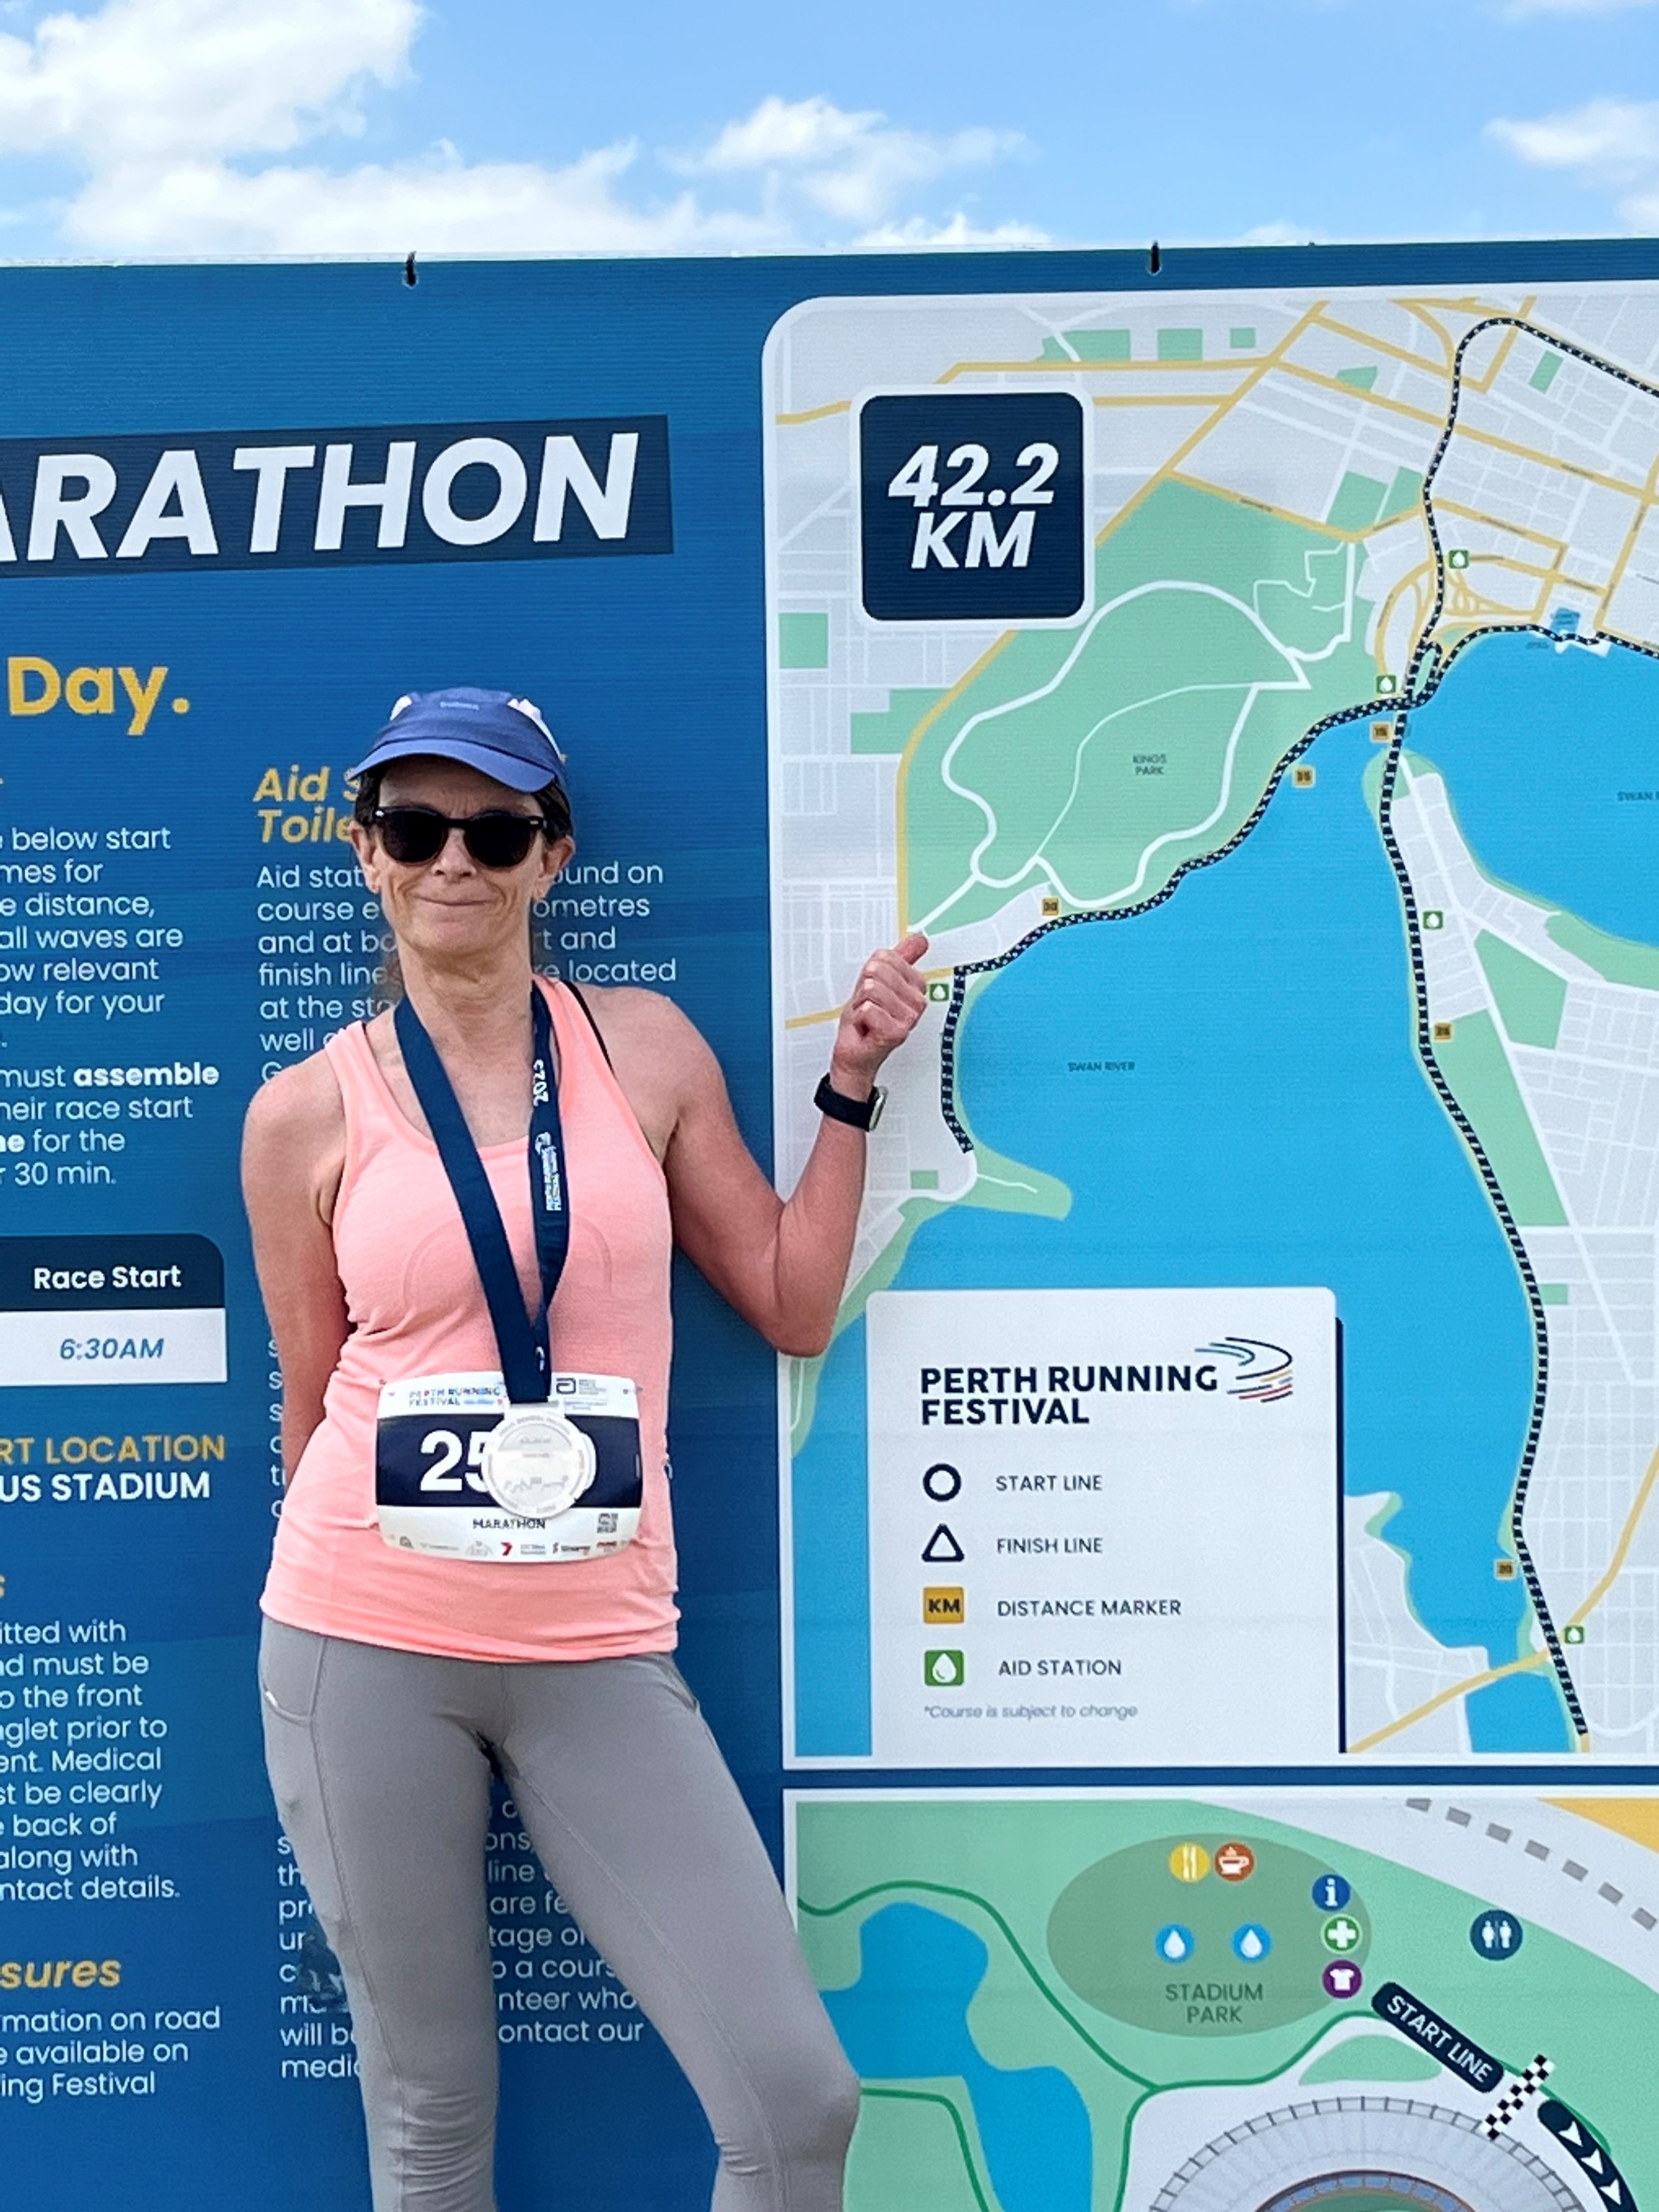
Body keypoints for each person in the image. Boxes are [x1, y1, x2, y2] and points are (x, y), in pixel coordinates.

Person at [244, 686, 928, 2212]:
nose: (453, 863)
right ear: (368, 854)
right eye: (414, 829)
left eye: (494, 830)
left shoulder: (644, 1052)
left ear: (550, 857)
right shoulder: (302, 1114)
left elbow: (792, 1301)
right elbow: (308, 1393)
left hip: (601, 1650)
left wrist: (855, 1086)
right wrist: (322, 1621)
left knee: (795, 2100)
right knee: (432, 2118)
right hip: (362, 1638)